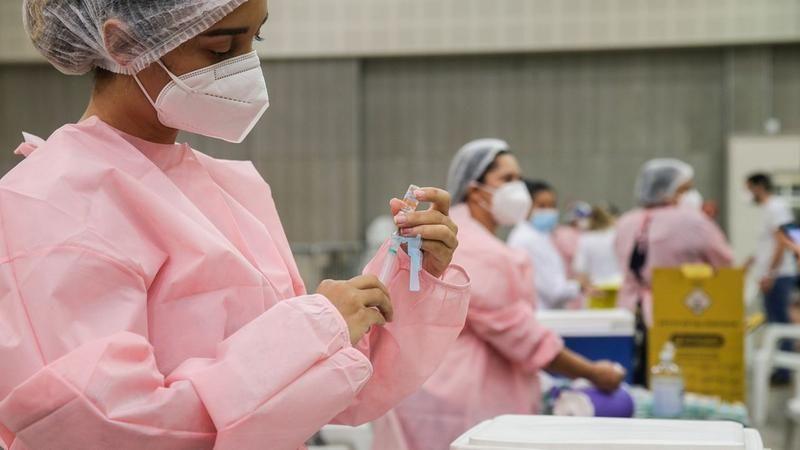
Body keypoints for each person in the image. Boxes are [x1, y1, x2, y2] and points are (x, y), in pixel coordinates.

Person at [0, 2, 472, 449]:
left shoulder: (228, 188)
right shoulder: (54, 201)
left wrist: (409, 274)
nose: (246, 68)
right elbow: (102, 426)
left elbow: (322, 389)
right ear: (123, 44)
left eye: (255, 39)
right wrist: (313, 332)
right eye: (221, 48)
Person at [372, 139, 625, 450]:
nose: (518, 188)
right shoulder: (474, 246)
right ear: (475, 190)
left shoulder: (468, 236)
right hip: (460, 399)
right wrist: (593, 372)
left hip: (436, 390)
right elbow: (520, 335)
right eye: (507, 179)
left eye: (519, 178)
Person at [615, 159, 733, 383]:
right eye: (686, 189)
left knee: (639, 377)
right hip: (681, 312)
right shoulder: (691, 221)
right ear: (666, 190)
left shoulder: (626, 221)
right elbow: (724, 261)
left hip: (629, 311)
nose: (691, 195)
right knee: (674, 379)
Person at [746, 173, 798, 382]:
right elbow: (768, 244)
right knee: (774, 321)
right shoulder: (768, 209)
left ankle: (784, 371)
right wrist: (751, 262)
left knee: (780, 323)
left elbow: (782, 243)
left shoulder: (777, 208)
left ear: (758, 187)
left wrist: (770, 274)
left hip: (779, 275)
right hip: (773, 274)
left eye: (749, 188)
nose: (748, 193)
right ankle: (779, 368)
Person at [508, 181, 588, 310]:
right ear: (526, 207)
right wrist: (578, 285)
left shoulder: (540, 236)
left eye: (552, 205)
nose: (548, 211)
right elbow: (555, 291)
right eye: (542, 206)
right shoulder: (529, 239)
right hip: (541, 312)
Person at [573, 206, 623, 289]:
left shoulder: (585, 239)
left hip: (596, 287)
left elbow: (580, 268)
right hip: (619, 284)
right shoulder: (616, 235)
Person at [553, 201, 592, 276]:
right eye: (582, 216)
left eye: (588, 216)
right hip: (566, 275)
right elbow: (574, 253)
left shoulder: (584, 233)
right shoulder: (563, 232)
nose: (585, 219)